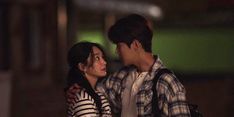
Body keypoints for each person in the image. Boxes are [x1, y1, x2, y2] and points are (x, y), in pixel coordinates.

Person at [67, 14, 191, 117]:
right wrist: (75, 88)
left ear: (135, 45)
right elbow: (92, 91)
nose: (116, 51)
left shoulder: (167, 83)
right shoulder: (122, 77)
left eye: (119, 46)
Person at [66, 42, 112, 117]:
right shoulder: (84, 99)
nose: (104, 62)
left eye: (102, 57)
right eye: (97, 58)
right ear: (82, 66)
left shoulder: (97, 93)